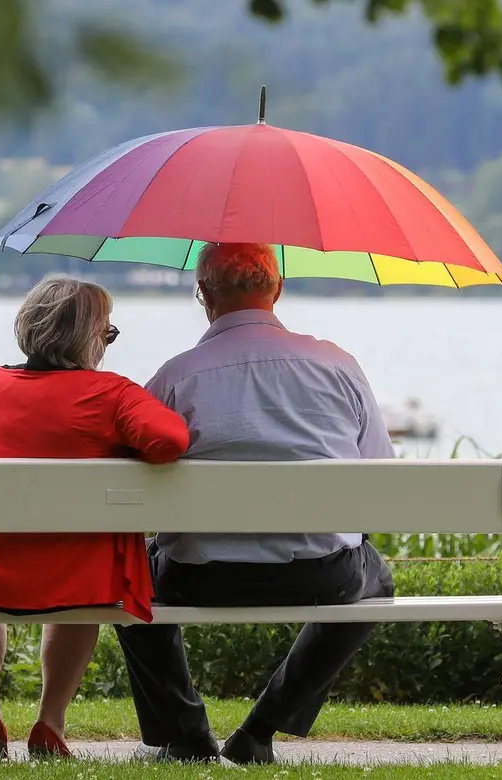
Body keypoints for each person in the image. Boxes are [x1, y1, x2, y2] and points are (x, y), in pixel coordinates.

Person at [115, 242, 395, 766]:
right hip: (320, 574)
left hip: (198, 576)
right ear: (277, 289)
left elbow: (127, 474)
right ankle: (260, 730)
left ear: (203, 293)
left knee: (127, 577)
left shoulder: (176, 376)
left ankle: (186, 735)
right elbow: (380, 473)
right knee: (376, 578)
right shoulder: (338, 366)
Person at [0, 275, 190, 761]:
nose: (107, 345)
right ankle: (50, 720)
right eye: (107, 333)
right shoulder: (112, 394)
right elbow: (170, 440)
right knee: (79, 575)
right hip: (71, 575)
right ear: (87, 337)